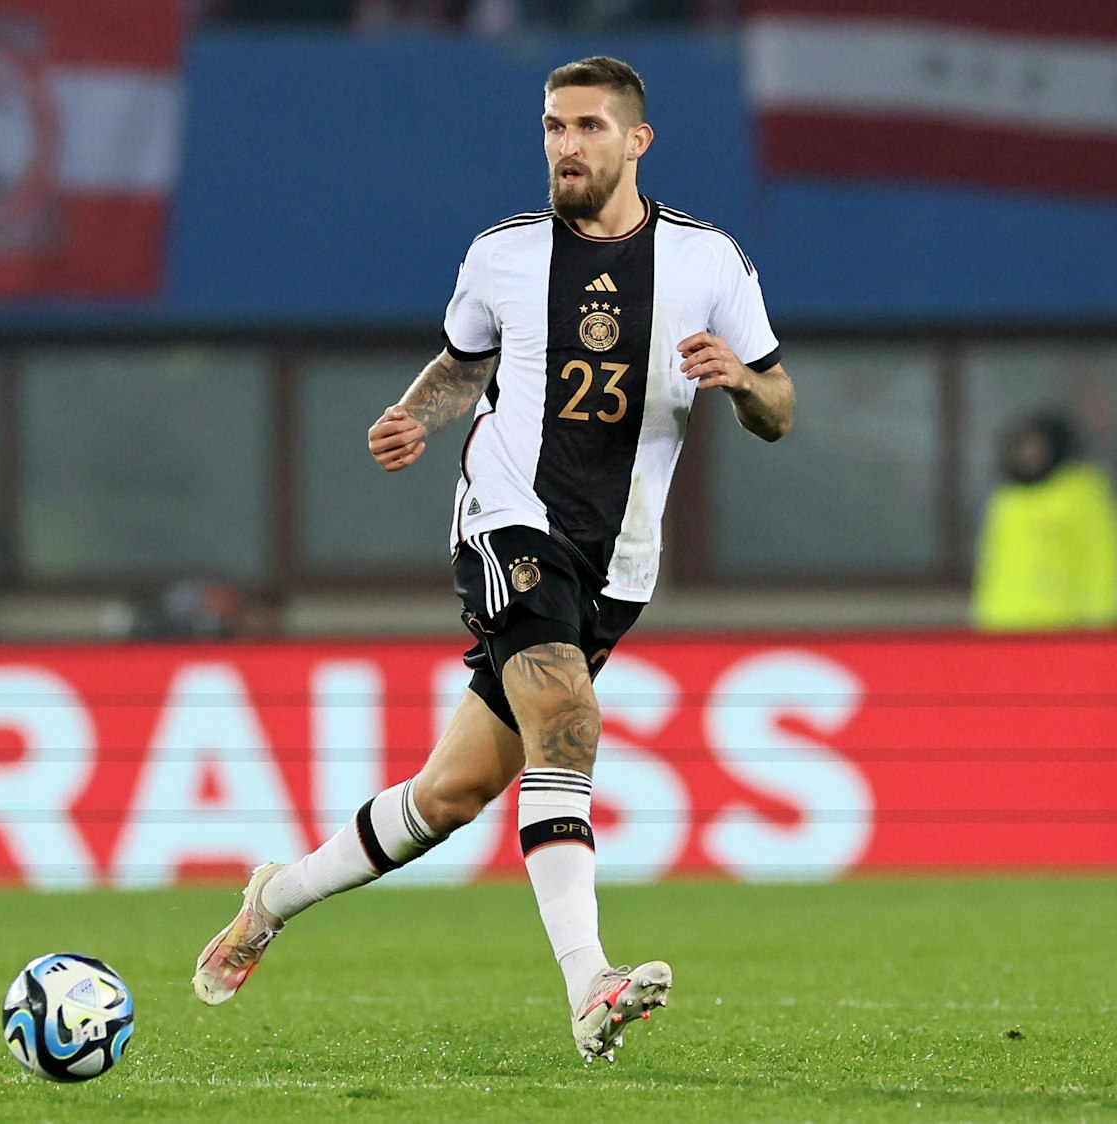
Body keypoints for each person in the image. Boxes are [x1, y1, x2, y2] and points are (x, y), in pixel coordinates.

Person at [190, 56, 795, 1062]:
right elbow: (463, 361)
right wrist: (414, 415)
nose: (566, 144)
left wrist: (738, 379)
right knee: (567, 716)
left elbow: (779, 407)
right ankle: (588, 983)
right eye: (554, 127)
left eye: (589, 127)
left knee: (453, 792)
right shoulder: (505, 254)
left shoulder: (709, 264)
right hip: (508, 520)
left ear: (636, 140)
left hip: (619, 558)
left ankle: (273, 896)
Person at [971, 411, 1117, 631]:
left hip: (1064, 625)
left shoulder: (1083, 494)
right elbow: (992, 565)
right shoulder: (1006, 499)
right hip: (1003, 624)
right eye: (1021, 447)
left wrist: (1102, 621)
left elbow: (1104, 559)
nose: (1027, 455)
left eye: (1035, 447)